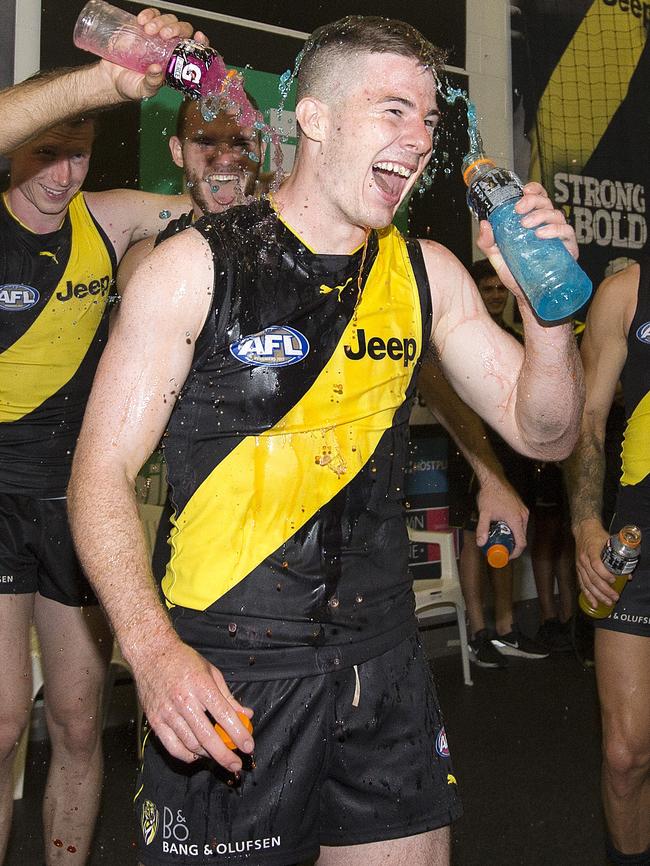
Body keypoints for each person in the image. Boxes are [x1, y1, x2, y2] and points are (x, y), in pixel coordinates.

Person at [68, 16, 584, 866]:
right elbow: (100, 474)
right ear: (313, 119)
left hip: (383, 661)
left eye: (427, 119)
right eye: (392, 111)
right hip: (230, 668)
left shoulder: (428, 272)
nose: (419, 139)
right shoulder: (196, 267)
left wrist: (545, 315)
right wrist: (155, 653)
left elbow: (546, 431)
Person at [0, 10, 206, 864]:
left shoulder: (106, 217)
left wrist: (232, 125)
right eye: (46, 151)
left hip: (74, 499)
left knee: (81, 720)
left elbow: (218, 198)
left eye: (78, 152)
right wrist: (100, 81)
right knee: (6, 716)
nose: (62, 173)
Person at [118, 92, 266, 580]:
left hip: (313, 520)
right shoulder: (151, 264)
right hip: (198, 522)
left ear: (261, 148)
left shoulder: (307, 251)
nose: (224, 157)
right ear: (178, 151)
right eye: (205, 140)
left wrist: (487, 471)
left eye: (240, 140)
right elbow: (115, 435)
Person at [566, 258, 650, 866]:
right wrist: (584, 523)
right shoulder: (626, 293)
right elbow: (588, 419)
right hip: (637, 546)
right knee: (625, 755)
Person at [428, 258, 548, 667]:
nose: (495, 294)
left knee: (507, 532)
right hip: (471, 452)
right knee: (472, 535)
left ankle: (506, 628)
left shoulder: (514, 337)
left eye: (501, 288)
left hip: (510, 456)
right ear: (475, 290)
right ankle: (479, 633)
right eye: (488, 287)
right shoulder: (455, 337)